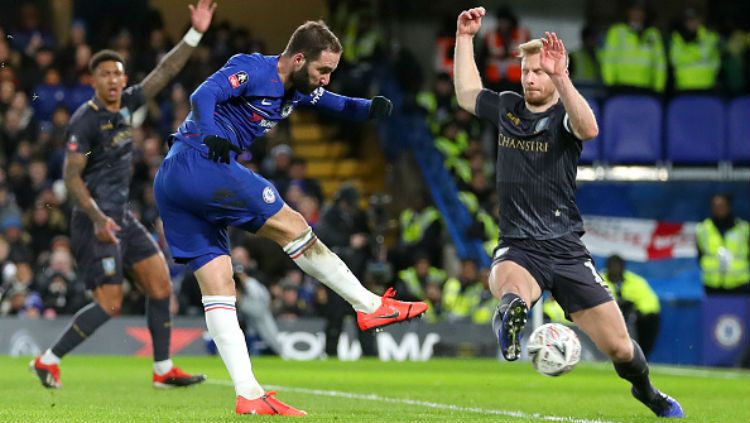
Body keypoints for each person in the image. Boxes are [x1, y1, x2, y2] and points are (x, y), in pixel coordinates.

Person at [153, 20, 428, 416]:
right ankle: (368, 306)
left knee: (219, 288)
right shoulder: (255, 68)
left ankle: (248, 393)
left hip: (173, 185)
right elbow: (203, 94)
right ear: (298, 58)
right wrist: (212, 132)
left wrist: (373, 109)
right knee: (295, 226)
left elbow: (341, 104)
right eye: (322, 70)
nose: (325, 79)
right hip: (201, 162)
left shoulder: (300, 90)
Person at [453, 7, 683, 418]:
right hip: (520, 246)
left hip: (566, 250)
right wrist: (465, 38)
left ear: (556, 74)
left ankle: (646, 391)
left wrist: (563, 79)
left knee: (620, 347)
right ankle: (509, 320)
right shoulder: (508, 108)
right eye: (525, 71)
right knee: (510, 288)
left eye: (538, 72)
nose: (529, 78)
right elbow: (467, 94)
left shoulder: (565, 116)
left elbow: (590, 129)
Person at [30, 0, 216, 391]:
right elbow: (71, 176)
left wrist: (196, 31)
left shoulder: (128, 103)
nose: (114, 80)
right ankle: (47, 360)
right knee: (111, 303)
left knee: (160, 285)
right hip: (93, 220)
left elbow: (165, 70)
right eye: (105, 75)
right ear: (93, 80)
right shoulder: (85, 120)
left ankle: (163, 368)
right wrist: (98, 220)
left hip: (122, 217)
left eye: (118, 73)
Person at [600, 2, 666, 94]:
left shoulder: (653, 34)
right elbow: (608, 59)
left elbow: (660, 63)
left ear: (645, 13)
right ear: (628, 12)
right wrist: (610, 84)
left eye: (640, 10)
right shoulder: (616, 31)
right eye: (634, 10)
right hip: (621, 86)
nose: (637, 13)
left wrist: (659, 88)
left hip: (646, 87)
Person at [602, 255, 661, 358]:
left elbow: (650, 302)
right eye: (612, 266)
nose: (615, 269)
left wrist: (638, 311)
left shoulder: (636, 281)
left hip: (631, 318)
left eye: (618, 266)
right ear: (607, 268)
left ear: (623, 268)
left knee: (651, 318)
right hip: (607, 318)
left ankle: (641, 354)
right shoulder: (599, 280)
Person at [696, 194, 750, 294]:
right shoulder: (703, 229)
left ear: (728, 206)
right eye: (715, 206)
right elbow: (700, 255)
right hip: (712, 285)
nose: (719, 209)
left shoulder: (744, 228)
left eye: (722, 206)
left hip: (740, 284)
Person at [668, 9, 720, 93]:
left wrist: (686, 52)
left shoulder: (710, 36)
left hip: (706, 86)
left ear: (700, 20)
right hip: (683, 86)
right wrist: (697, 52)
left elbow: (706, 54)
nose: (691, 23)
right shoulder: (677, 37)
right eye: (688, 20)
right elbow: (675, 59)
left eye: (694, 19)